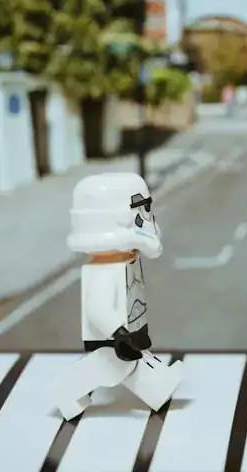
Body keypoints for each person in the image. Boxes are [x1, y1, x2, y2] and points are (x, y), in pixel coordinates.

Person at [53, 173, 184, 420]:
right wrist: (119, 334)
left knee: (123, 367)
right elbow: (97, 310)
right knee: (114, 368)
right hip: (112, 340)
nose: (147, 218)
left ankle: (159, 389)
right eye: (142, 209)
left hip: (127, 335)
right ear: (119, 219)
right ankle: (66, 393)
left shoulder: (126, 263)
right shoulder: (104, 272)